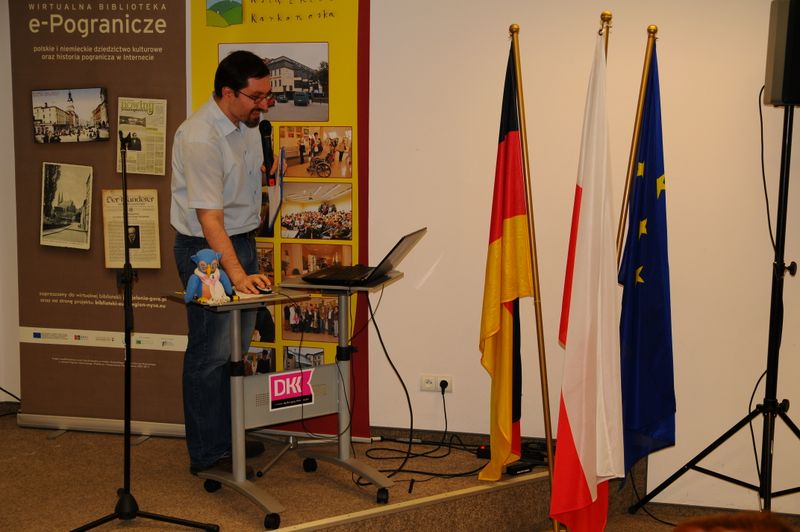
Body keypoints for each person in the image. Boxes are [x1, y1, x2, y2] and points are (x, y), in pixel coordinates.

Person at [170, 50, 275, 475]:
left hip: (241, 242)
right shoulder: (200, 137)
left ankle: (228, 437)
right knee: (210, 353)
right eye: (257, 97)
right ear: (228, 92)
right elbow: (209, 218)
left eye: (267, 95)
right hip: (206, 252)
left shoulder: (246, 124)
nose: (264, 105)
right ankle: (207, 451)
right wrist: (238, 275)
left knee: (236, 348)